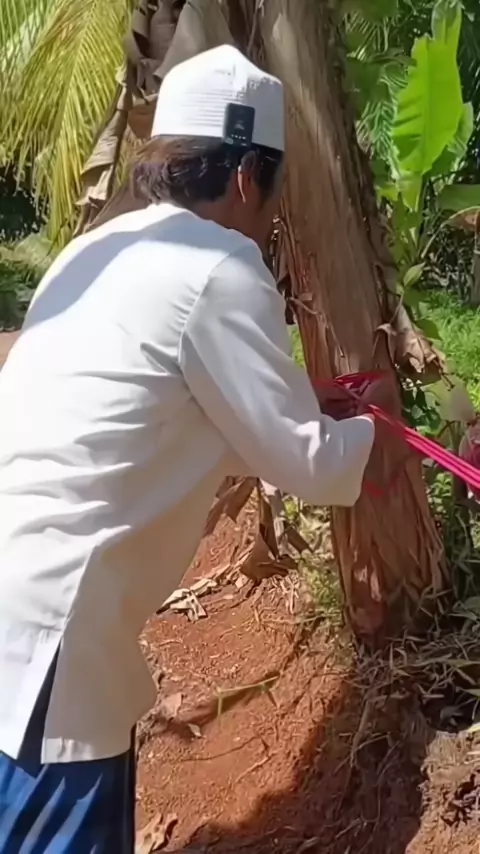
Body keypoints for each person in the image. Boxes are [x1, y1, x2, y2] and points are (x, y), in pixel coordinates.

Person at [0, 45, 383, 852]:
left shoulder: (95, 251)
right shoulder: (219, 264)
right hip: (51, 654)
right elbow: (309, 465)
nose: (272, 217)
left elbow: (160, 425)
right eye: (275, 190)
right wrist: (378, 429)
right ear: (246, 177)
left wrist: (298, 407)